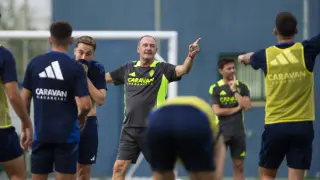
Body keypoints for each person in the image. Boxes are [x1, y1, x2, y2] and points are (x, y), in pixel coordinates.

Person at [105, 35, 201, 180]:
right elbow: (105, 78)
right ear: (138, 49)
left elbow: (183, 70)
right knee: (118, 168)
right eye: (145, 45)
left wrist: (190, 56)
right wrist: (83, 72)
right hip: (129, 129)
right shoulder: (128, 68)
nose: (148, 48)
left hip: (153, 129)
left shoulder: (163, 69)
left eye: (151, 46)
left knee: (161, 172)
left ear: (155, 50)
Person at [238, 12, 320, 180]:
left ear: (275, 31)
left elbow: (247, 57)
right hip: (302, 125)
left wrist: (242, 57)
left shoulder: (265, 56)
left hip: (275, 125)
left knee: (267, 174)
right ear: (296, 30)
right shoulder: (306, 50)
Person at [21, 21, 92, 180]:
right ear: (71, 41)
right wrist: (81, 118)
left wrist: (26, 125)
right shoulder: (75, 68)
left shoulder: (34, 64)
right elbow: (86, 105)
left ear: (50, 39)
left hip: (41, 133)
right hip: (66, 136)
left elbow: (24, 99)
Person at [146, 96, 225, 180]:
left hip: (158, 118)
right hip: (194, 117)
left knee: (162, 175)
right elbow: (217, 173)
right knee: (203, 175)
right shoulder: (216, 133)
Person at [208, 58, 251, 180]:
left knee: (239, 166)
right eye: (228, 68)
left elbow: (247, 106)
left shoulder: (242, 87)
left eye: (233, 68)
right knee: (217, 165)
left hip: (238, 132)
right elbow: (217, 111)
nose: (232, 71)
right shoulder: (215, 88)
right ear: (221, 70)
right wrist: (238, 108)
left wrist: (234, 91)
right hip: (221, 132)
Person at [74, 36, 107, 180]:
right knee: (66, 171)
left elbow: (100, 99)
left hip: (89, 123)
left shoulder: (97, 68)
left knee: (84, 173)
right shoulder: (65, 67)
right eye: (80, 52)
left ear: (93, 55)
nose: (83, 56)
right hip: (68, 122)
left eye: (88, 54)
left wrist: (84, 77)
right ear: (75, 51)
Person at [0, 44, 33, 180]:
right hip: (2, 129)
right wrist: (26, 121)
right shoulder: (3, 55)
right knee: (17, 175)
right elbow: (13, 95)